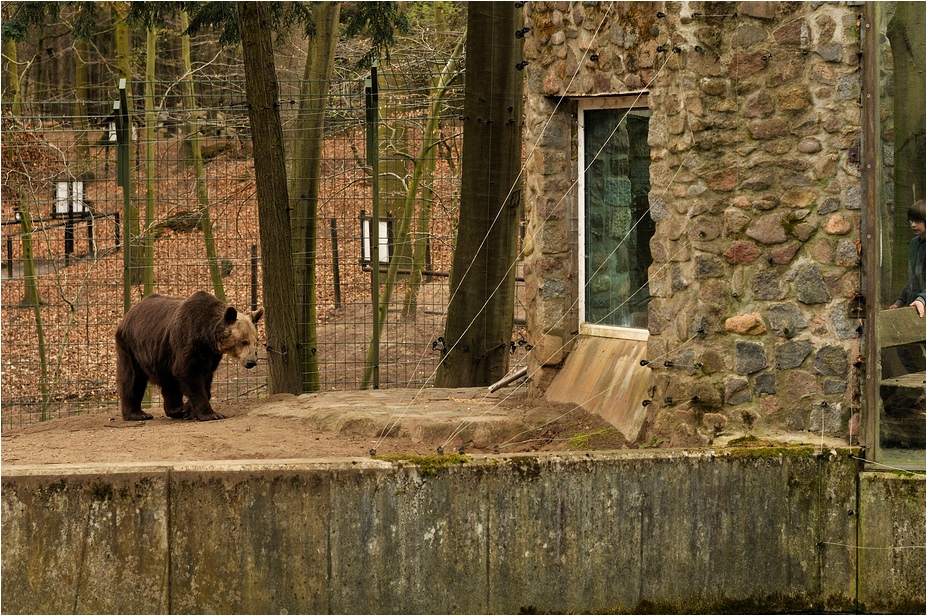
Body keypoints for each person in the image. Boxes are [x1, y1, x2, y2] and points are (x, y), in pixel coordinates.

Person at [889, 199, 926, 318]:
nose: (913, 225)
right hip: (914, 307)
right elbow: (913, 278)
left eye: (918, 221)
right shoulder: (914, 243)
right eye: (911, 221)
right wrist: (900, 301)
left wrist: (922, 299)